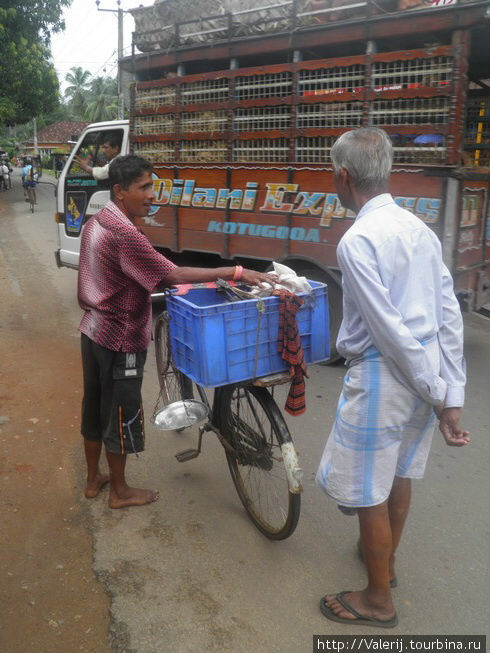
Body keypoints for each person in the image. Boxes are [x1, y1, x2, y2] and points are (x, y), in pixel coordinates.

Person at [316, 128, 469, 627]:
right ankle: (387, 562)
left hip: (390, 374)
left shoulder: (358, 240)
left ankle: (378, 600)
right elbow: (448, 315)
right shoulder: (418, 229)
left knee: (367, 489)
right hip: (423, 372)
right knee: (399, 473)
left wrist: (435, 388)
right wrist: (449, 395)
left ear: (343, 176)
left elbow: (389, 332)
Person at [78, 154, 275, 509]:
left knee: (93, 407)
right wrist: (236, 272)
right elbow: (174, 275)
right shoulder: (125, 234)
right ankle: (120, 492)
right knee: (120, 413)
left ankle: (94, 480)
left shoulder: (98, 221)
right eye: (145, 187)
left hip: (91, 330)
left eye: (153, 185)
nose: (153, 194)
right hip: (120, 337)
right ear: (120, 191)